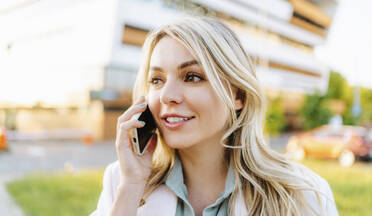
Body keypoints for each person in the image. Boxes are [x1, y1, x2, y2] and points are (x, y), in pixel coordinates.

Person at [91, 17, 338, 216]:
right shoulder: (123, 182)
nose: (167, 95)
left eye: (192, 77)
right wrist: (131, 186)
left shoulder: (302, 193)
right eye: (157, 80)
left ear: (237, 95)